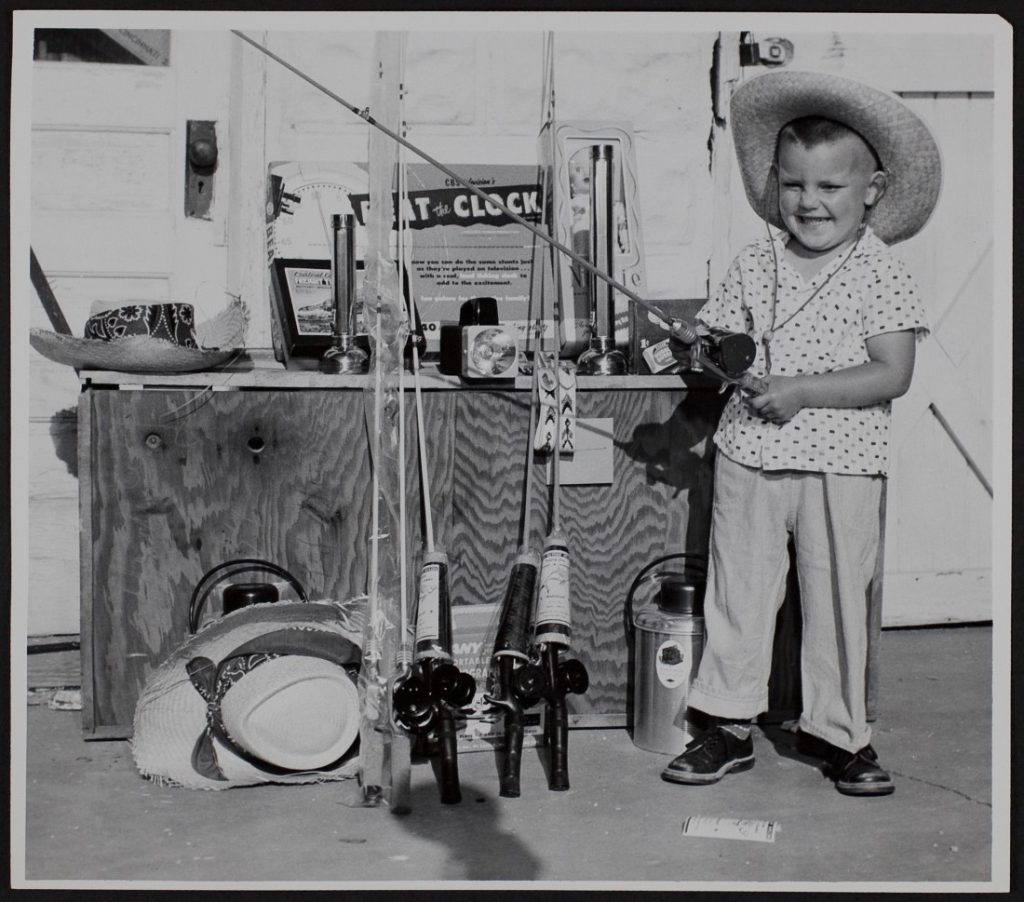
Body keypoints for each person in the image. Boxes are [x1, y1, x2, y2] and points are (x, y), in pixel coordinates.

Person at [662, 70, 941, 796]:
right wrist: (701, 346)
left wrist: (801, 392)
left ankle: (841, 736)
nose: (809, 203)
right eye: (794, 186)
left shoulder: (881, 271)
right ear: (774, 185)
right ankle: (725, 726)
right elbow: (726, 352)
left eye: (829, 188)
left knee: (839, 596)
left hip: (842, 464)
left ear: (871, 191)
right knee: (739, 593)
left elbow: (891, 373)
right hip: (750, 455)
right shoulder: (754, 263)